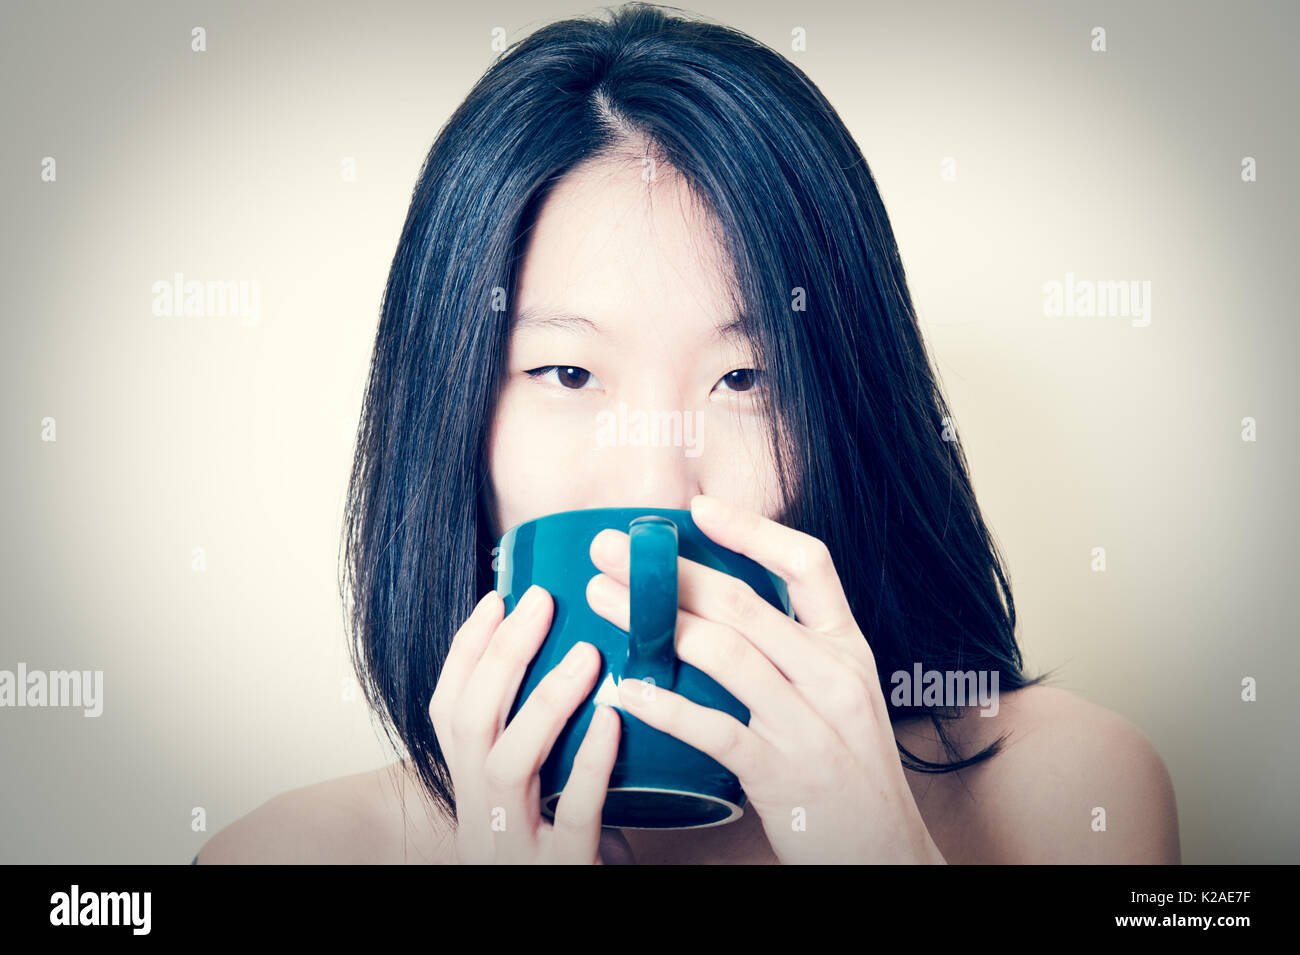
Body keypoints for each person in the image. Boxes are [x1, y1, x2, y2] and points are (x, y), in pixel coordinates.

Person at [196, 2, 1179, 864]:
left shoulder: (1067, 795)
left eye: (745, 378)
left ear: (846, 414)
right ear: (452, 420)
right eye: (568, 373)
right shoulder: (287, 853)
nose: (659, 485)